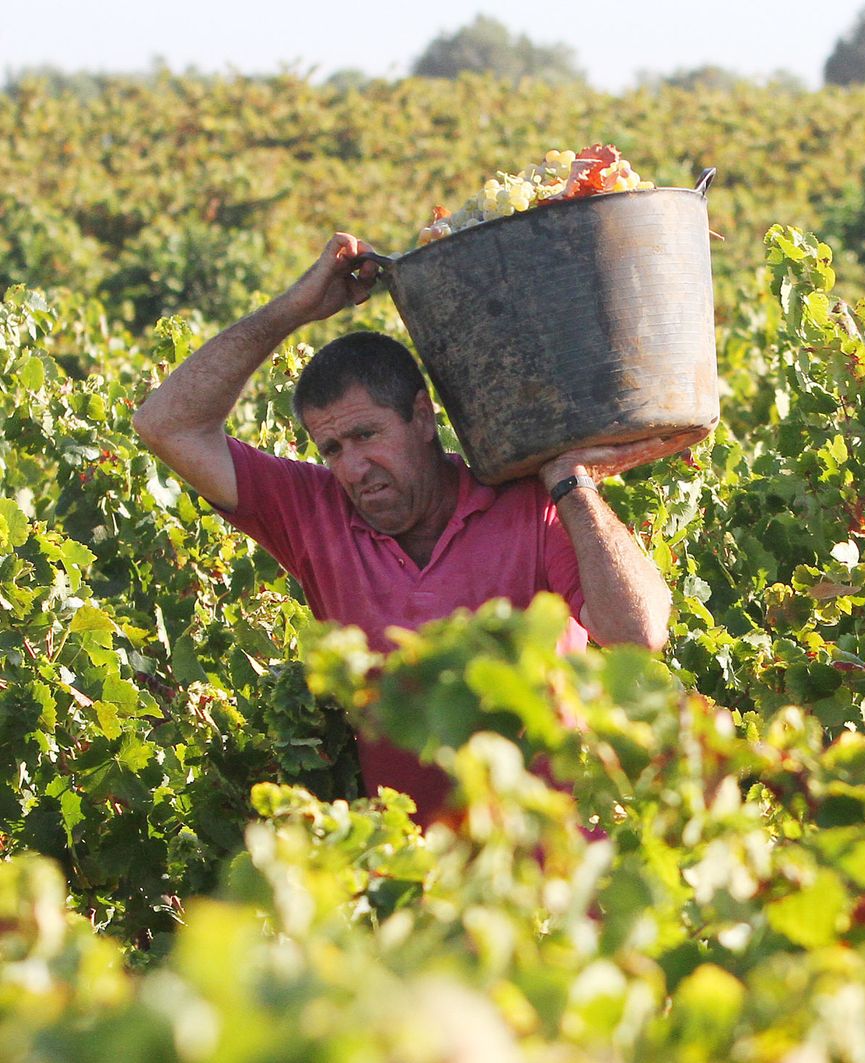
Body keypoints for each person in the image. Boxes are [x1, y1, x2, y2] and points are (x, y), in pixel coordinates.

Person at [134, 233, 698, 823]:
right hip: (416, 887)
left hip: (552, 882)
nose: (352, 467)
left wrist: (572, 479)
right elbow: (166, 424)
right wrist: (295, 308)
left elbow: (640, 633)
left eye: (367, 436)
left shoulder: (529, 505)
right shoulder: (314, 513)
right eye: (331, 448)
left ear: (423, 418)